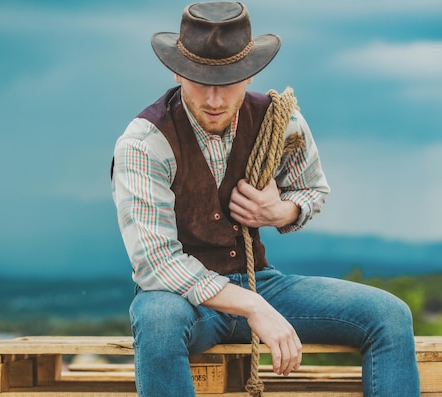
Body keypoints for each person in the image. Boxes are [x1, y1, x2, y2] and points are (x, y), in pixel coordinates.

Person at [111, 2, 420, 396]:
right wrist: (254, 307)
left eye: (228, 82)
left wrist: (280, 211)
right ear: (177, 70)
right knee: (156, 319)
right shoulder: (144, 142)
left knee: (390, 316)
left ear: (251, 72)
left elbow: (312, 189)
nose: (214, 99)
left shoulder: (279, 118)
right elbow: (156, 263)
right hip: (184, 301)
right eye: (200, 80)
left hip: (260, 281)